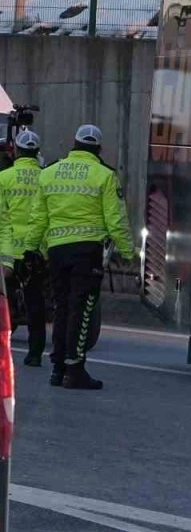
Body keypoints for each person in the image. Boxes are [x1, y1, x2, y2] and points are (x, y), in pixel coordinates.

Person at [24, 124, 135, 390]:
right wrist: (128, 252)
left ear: (73, 144)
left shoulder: (49, 173)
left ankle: (58, 368)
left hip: (57, 252)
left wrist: (30, 249)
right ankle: (75, 369)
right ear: (99, 148)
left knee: (61, 307)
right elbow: (116, 220)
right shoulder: (104, 175)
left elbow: (38, 218)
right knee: (81, 309)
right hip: (87, 252)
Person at [0, 129, 48, 367]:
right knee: (36, 304)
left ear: (16, 151)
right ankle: (35, 354)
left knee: (4, 304)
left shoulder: (4, 178)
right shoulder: (47, 178)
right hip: (35, 253)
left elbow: (2, 219)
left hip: (8, 253)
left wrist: (5, 259)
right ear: (37, 152)